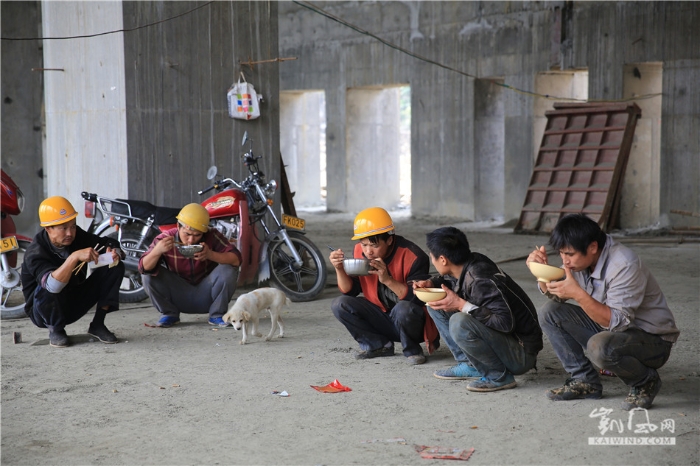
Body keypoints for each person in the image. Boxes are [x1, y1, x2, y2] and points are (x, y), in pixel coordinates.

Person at [527, 213, 680, 410]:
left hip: (652, 341)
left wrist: (578, 294)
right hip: (613, 330)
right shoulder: (581, 260)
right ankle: (585, 381)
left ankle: (645, 382)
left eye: (569, 254)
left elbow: (617, 322)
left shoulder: (624, 264)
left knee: (599, 346)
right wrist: (539, 270)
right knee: (551, 312)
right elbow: (557, 291)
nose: (564, 261)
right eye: (561, 254)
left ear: (592, 247)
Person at [413, 227, 542, 392]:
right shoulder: (470, 262)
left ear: (443, 259)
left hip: (521, 354)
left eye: (432, 256)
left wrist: (460, 305)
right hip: (509, 343)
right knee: (436, 304)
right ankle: (470, 364)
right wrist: (432, 284)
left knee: (459, 321)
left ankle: (498, 376)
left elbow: (505, 323)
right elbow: (451, 279)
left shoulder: (480, 278)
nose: (432, 260)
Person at [329, 207, 438, 365]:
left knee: (403, 308)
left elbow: (417, 299)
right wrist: (339, 268)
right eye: (364, 245)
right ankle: (378, 345)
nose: (368, 252)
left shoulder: (413, 256)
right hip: (381, 316)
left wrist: (387, 279)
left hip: (413, 324)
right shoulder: (360, 251)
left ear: (389, 239)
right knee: (340, 304)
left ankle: (412, 350)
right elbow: (350, 290)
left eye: (373, 245)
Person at [21, 196, 126, 348]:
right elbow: (52, 286)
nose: (70, 233)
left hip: (73, 303)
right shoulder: (35, 252)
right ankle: (56, 330)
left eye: (73, 226)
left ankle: (98, 324)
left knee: (115, 266)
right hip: (44, 312)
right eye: (63, 228)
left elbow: (106, 242)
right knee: (48, 283)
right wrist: (74, 257)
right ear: (48, 229)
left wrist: (115, 252)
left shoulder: (76, 236)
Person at [139, 203, 241, 328]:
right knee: (148, 276)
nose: (191, 240)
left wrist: (211, 255)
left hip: (207, 293)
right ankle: (169, 313)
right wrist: (157, 251)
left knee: (228, 270)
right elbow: (143, 267)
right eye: (187, 234)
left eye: (197, 235)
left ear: (204, 232)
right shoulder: (165, 238)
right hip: (178, 294)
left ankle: (217, 314)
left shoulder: (212, 235)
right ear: (178, 226)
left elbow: (236, 259)